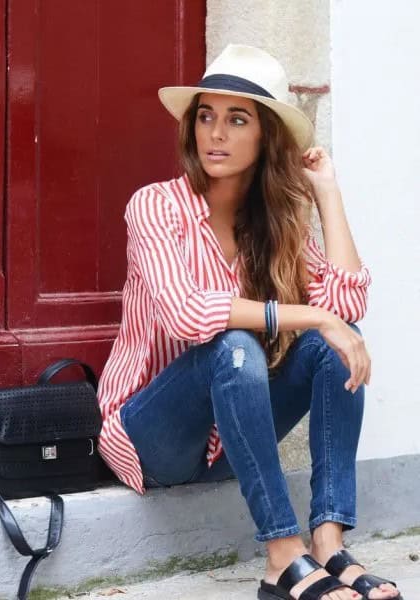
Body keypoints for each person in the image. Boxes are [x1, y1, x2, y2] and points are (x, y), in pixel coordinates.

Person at [97, 45, 402, 600]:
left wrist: (327, 192)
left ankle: (328, 543)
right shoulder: (156, 206)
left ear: (265, 138)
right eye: (206, 117)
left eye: (237, 120)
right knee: (233, 342)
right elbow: (188, 312)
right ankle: (282, 555)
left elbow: (347, 304)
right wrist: (312, 315)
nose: (215, 134)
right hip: (153, 437)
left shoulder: (276, 224)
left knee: (341, 342)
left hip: (227, 442)